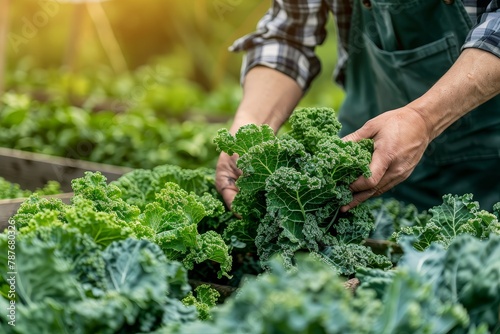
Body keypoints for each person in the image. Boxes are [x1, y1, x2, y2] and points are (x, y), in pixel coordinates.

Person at [215, 0, 500, 213]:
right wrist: (250, 126)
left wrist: (422, 118)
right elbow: (289, 36)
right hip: (369, 162)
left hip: (488, 171)